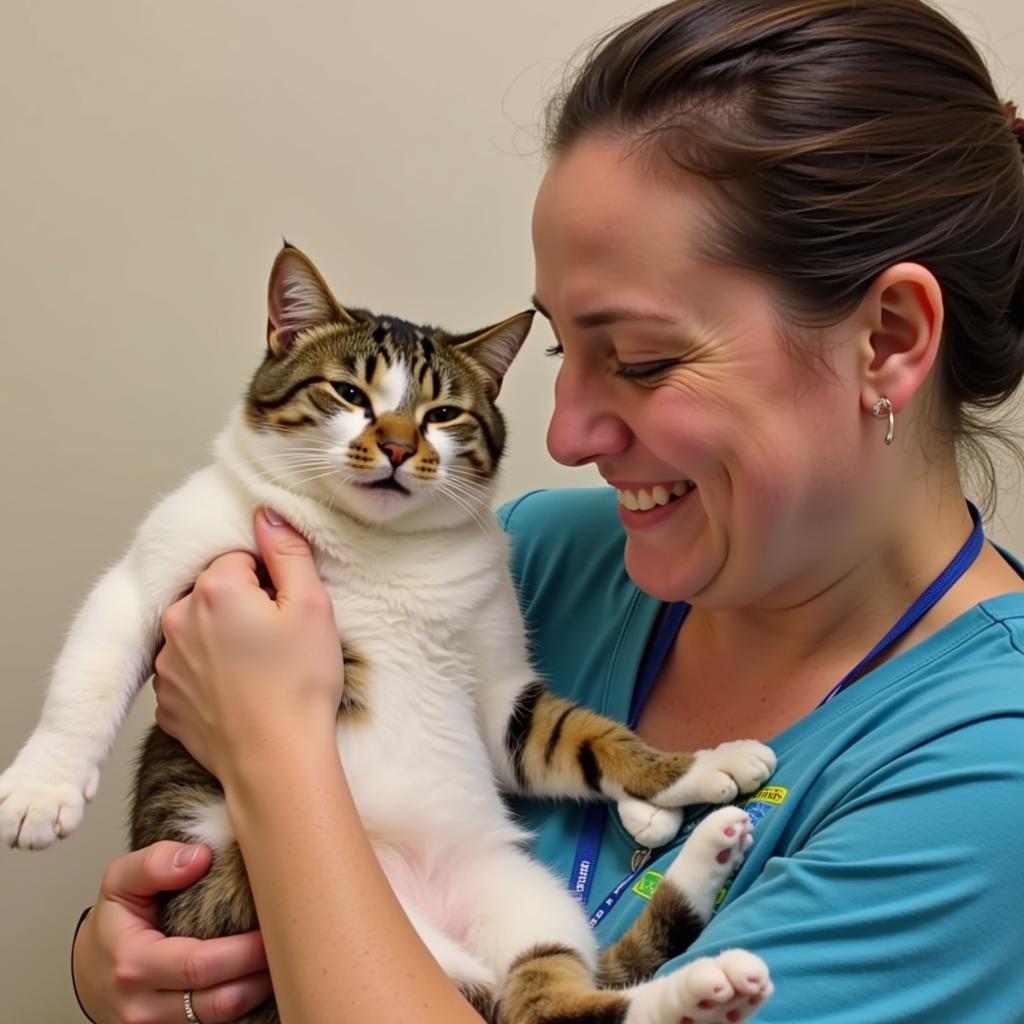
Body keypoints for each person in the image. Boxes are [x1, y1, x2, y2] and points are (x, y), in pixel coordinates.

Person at [72, 0, 1024, 1021]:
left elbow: (291, 805)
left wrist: (273, 745)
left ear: (886, 340)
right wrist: (128, 970)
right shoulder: (536, 557)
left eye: (642, 360)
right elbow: (217, 913)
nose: (565, 436)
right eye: (566, 353)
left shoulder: (981, 775)